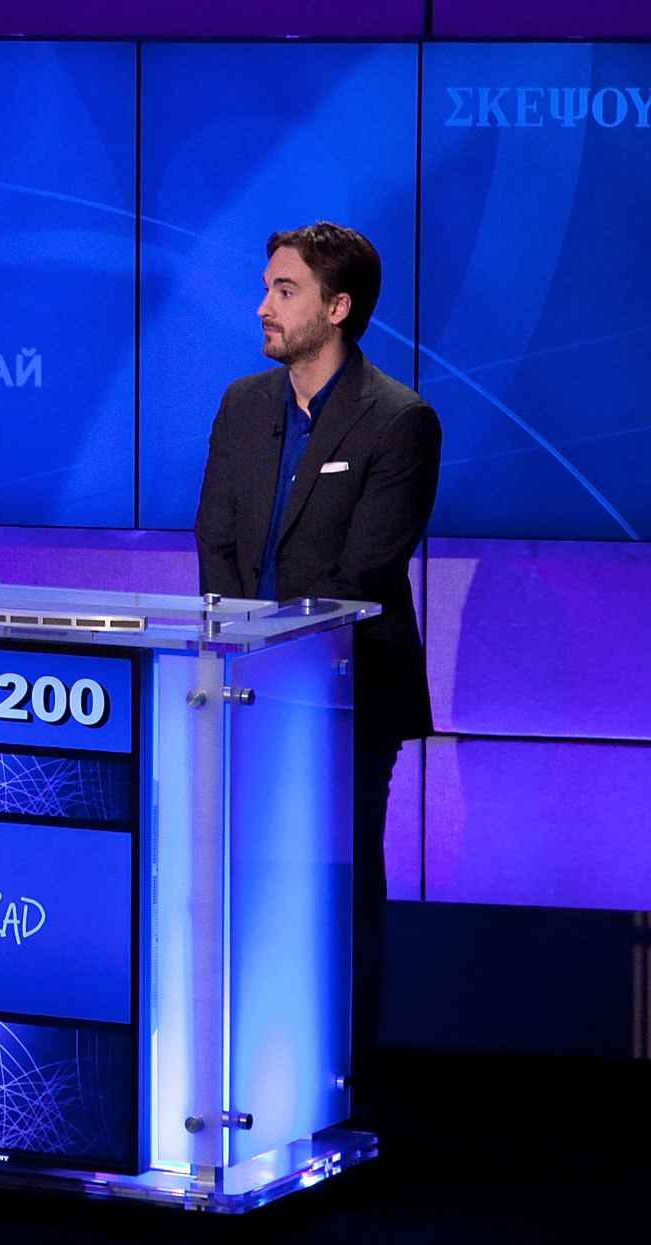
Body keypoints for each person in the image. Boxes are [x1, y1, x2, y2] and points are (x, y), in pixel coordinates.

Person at [194, 221, 440, 1112]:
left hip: (344, 696)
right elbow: (215, 540)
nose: (264, 305)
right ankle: (244, 1059)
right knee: (238, 871)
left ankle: (341, 1078)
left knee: (333, 879)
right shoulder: (241, 405)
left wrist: (276, 655)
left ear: (337, 309)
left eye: (285, 289)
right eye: (266, 285)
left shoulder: (399, 421)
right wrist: (235, 646)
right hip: (235, 689)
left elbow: (363, 571)